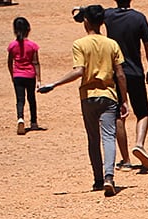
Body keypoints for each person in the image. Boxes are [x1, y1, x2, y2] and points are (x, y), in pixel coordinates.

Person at [39, 6, 126, 196]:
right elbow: (120, 74)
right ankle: (109, 176)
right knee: (109, 137)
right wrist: (124, 99)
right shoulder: (112, 44)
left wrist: (54, 84)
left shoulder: (80, 44)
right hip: (109, 95)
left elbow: (79, 71)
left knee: (93, 138)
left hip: (88, 96)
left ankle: (97, 179)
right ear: (102, 22)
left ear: (85, 21)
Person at [102, 0, 148, 172]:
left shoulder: (109, 15)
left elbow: (91, 14)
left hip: (116, 72)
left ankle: (125, 160)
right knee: (143, 112)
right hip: (135, 72)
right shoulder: (138, 18)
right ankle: (139, 144)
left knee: (119, 114)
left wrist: (80, 10)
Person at [7, 16, 42, 135]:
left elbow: (9, 62)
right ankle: (33, 122)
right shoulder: (33, 45)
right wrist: (39, 79)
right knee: (31, 99)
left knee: (20, 99)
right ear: (28, 29)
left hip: (18, 75)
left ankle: (20, 118)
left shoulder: (12, 46)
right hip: (30, 75)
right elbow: (36, 62)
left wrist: (13, 75)